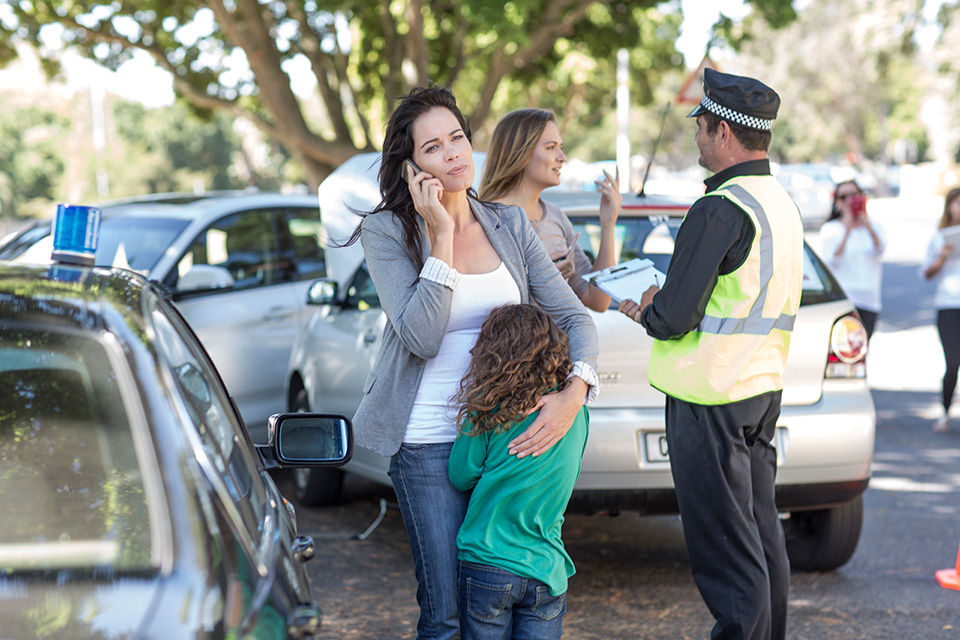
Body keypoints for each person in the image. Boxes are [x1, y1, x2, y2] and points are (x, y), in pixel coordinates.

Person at [348, 85, 599, 640]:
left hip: (505, 434)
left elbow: (576, 318)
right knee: (447, 617)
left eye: (457, 137)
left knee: (503, 605)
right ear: (412, 165)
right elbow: (420, 336)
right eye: (434, 147)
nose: (454, 154)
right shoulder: (387, 232)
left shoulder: (508, 224)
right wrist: (440, 234)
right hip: (428, 442)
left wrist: (573, 393)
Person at [618, 68, 803, 640]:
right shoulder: (780, 203)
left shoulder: (719, 207)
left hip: (709, 400)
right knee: (759, 535)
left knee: (726, 552)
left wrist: (645, 305)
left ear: (722, 131)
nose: (696, 136)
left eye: (700, 126)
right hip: (758, 393)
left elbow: (674, 317)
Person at [448, 303, 588, 640]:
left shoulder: (487, 409)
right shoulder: (574, 416)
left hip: (487, 561)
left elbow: (460, 475)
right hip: (546, 568)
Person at [478, 108, 622, 312]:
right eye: (551, 147)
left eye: (560, 147)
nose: (562, 157)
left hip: (557, 343)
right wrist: (544, 281)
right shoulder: (485, 218)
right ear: (521, 152)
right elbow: (480, 303)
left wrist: (608, 224)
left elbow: (598, 300)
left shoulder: (556, 216)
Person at [819, 180, 885, 339]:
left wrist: (867, 226)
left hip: (870, 297)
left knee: (864, 349)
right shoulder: (831, 229)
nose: (849, 200)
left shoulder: (873, 226)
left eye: (853, 195)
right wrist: (846, 231)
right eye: (843, 196)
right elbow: (832, 262)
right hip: (845, 298)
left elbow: (880, 249)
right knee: (846, 350)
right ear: (837, 202)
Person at [922, 186, 960, 433]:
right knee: (953, 362)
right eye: (956, 203)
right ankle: (945, 412)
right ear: (948, 206)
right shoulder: (939, 237)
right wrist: (942, 256)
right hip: (948, 306)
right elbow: (927, 273)